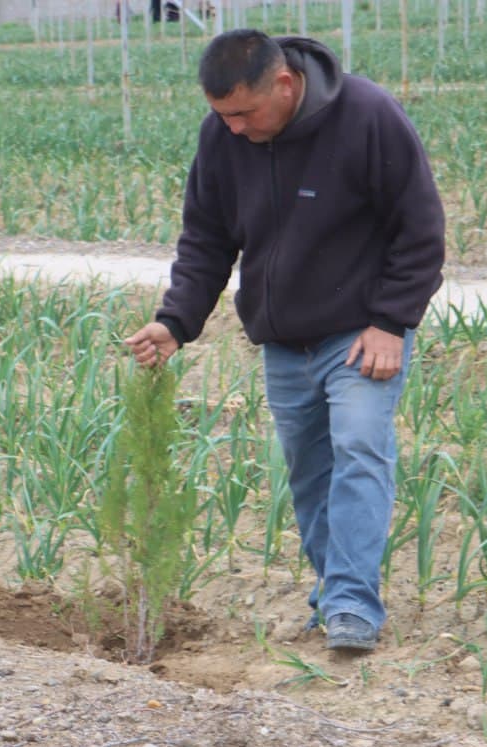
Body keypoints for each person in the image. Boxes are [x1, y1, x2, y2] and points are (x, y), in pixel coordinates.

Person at [124, 30, 444, 651]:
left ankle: (352, 604)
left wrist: (390, 321)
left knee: (358, 449)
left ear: (286, 84)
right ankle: (335, 592)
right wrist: (176, 321)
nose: (235, 129)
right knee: (310, 473)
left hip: (360, 334)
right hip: (283, 340)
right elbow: (208, 239)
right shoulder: (223, 136)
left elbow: (421, 228)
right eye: (223, 116)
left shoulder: (368, 116)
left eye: (244, 113)